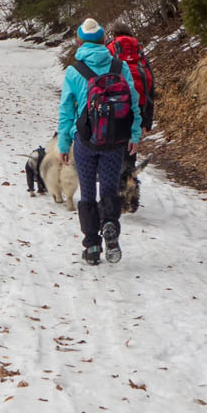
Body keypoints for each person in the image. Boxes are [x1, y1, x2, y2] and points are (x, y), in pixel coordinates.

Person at [57, 17, 141, 264]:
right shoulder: (119, 66)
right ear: (104, 40)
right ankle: (110, 226)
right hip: (115, 140)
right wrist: (134, 135)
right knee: (109, 189)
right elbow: (133, 101)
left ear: (80, 41)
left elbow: (66, 111)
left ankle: (92, 246)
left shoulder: (74, 71)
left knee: (87, 193)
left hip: (85, 141)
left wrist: (63, 144)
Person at [106, 23, 155, 209]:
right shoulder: (139, 51)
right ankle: (131, 193)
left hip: (116, 106)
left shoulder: (110, 48)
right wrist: (146, 120)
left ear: (114, 34)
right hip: (139, 107)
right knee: (130, 151)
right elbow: (151, 84)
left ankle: (117, 196)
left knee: (114, 150)